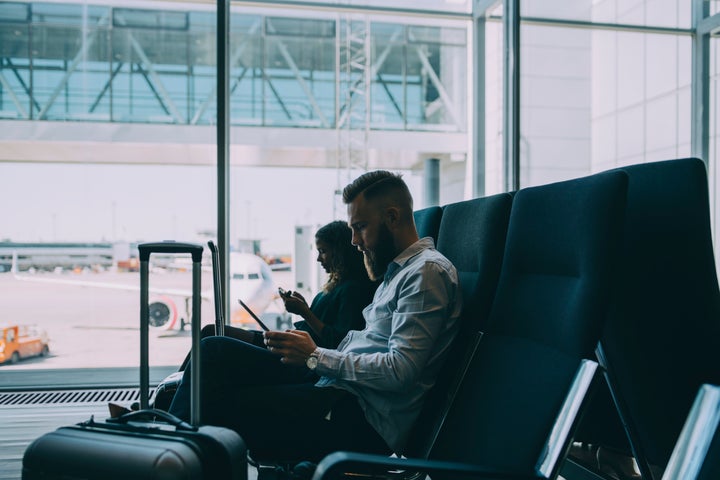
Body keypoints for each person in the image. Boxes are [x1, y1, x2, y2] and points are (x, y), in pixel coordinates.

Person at [168, 170, 462, 463]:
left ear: (393, 218)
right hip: (336, 387)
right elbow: (367, 343)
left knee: (226, 403)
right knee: (215, 349)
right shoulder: (399, 271)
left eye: (360, 227)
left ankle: (166, 454)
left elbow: (401, 371)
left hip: (360, 418)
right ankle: (165, 441)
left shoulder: (426, 273)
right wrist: (310, 347)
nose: (355, 241)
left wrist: (315, 356)